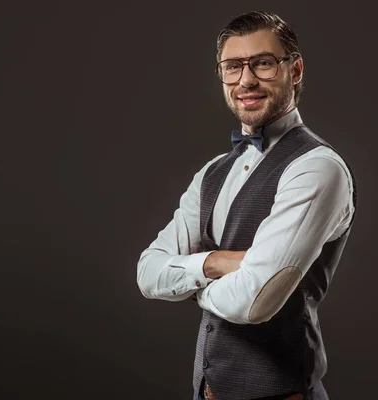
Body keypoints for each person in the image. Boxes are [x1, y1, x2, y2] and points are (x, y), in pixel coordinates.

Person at [136, 11, 357, 400]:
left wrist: (189, 283)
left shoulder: (317, 168)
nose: (246, 79)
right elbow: (147, 272)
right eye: (232, 66)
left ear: (296, 69)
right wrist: (217, 263)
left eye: (264, 63)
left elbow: (254, 301)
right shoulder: (212, 173)